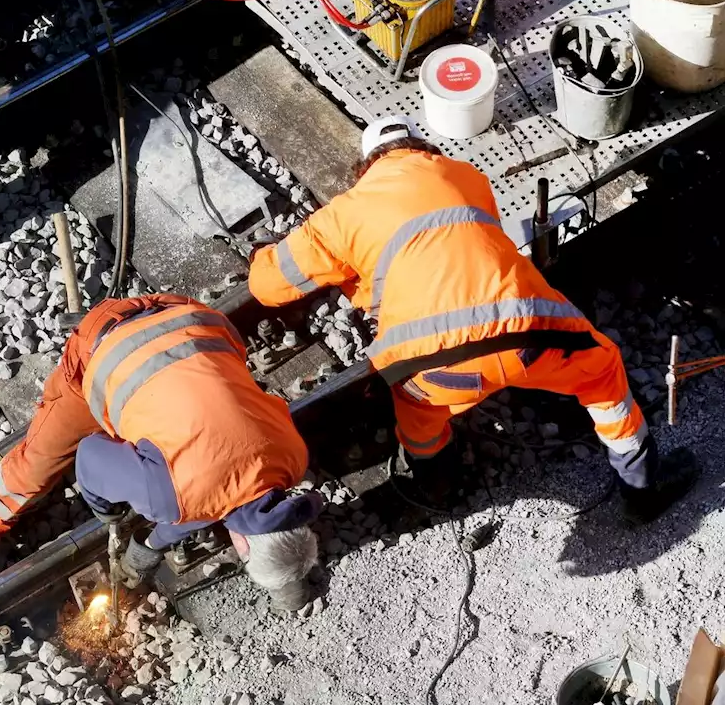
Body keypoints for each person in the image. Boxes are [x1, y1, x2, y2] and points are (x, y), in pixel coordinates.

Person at [248, 116, 698, 523]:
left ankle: (439, 482)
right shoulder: (467, 176)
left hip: (433, 366)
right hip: (530, 335)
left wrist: (274, 256)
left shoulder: (344, 212)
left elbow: (267, 287)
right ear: (423, 149)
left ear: (365, 168)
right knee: (603, 373)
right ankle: (642, 489)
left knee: (419, 416)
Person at [0, 294, 322, 611]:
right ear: (245, 545)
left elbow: (209, 496)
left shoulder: (294, 457)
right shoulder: (169, 499)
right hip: (104, 346)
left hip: (193, 320)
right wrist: (107, 509)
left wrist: (152, 543)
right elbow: (88, 457)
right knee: (40, 459)